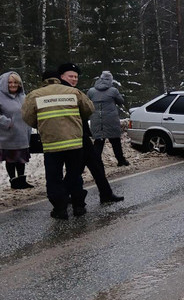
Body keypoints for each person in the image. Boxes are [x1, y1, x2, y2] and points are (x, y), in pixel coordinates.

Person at [22, 69, 94, 219]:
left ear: (44, 81)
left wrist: (42, 124)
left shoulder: (34, 95)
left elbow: (27, 117)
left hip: (51, 144)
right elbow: (89, 109)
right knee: (74, 175)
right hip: (74, 142)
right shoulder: (73, 92)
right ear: (58, 79)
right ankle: (79, 206)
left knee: (54, 177)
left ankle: (60, 209)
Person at [57, 63, 125, 206]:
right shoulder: (62, 93)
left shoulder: (84, 91)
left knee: (96, 163)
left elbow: (87, 109)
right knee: (77, 168)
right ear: (61, 77)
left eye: (76, 77)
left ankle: (106, 193)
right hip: (71, 136)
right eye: (71, 76)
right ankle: (62, 196)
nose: (74, 79)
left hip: (83, 133)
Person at [88, 71, 129, 166]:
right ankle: (121, 160)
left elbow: (87, 103)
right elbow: (121, 101)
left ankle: (96, 163)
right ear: (110, 80)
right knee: (115, 141)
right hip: (111, 120)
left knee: (98, 142)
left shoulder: (91, 91)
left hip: (97, 119)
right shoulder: (113, 91)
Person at [1, 71, 33, 189]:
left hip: (23, 133)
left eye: (16, 82)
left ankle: (21, 180)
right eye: (10, 82)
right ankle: (13, 180)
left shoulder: (23, 96)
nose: (13, 85)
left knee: (21, 158)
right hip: (8, 134)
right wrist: (7, 122)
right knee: (11, 158)